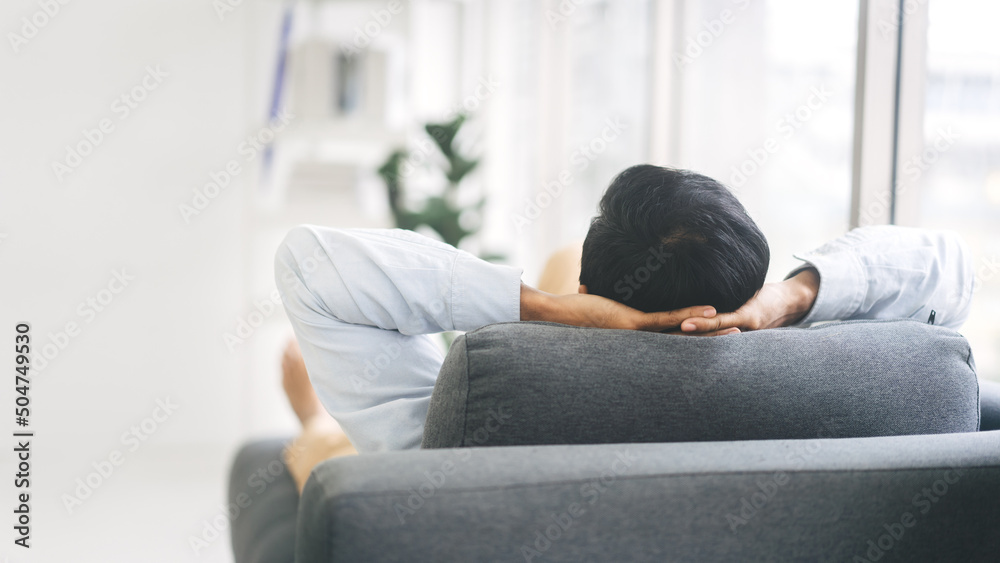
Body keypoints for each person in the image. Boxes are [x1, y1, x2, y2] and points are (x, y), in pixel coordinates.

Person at [274, 164, 1000, 455]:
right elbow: (952, 268)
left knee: (324, 449)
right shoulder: (907, 382)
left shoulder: (481, 409)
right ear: (748, 288)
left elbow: (309, 264)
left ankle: (312, 425)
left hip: (405, 483)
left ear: (593, 295)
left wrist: (558, 309)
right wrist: (791, 295)